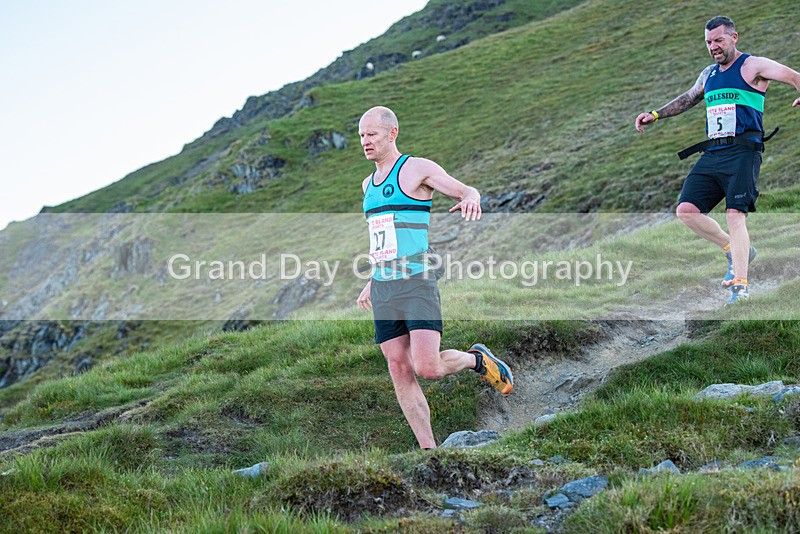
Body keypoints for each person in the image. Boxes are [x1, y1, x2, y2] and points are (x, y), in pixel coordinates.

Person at [356, 106, 513, 449]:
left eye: (372, 135)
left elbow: (465, 189)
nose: (365, 142)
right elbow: (382, 237)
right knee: (398, 368)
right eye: (362, 136)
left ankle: (477, 359)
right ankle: (430, 450)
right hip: (384, 287)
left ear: (392, 133)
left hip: (416, 281)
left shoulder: (417, 169)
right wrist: (372, 277)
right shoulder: (367, 184)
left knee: (427, 367)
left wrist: (471, 199)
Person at [635, 15, 800, 304]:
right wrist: (656, 114)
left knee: (735, 214)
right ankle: (733, 249)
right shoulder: (708, 74)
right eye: (709, 42)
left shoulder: (753, 66)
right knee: (686, 211)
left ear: (734, 37)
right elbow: (689, 98)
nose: (714, 46)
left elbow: (794, 77)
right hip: (714, 152)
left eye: (719, 40)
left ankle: (741, 286)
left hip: (743, 151)